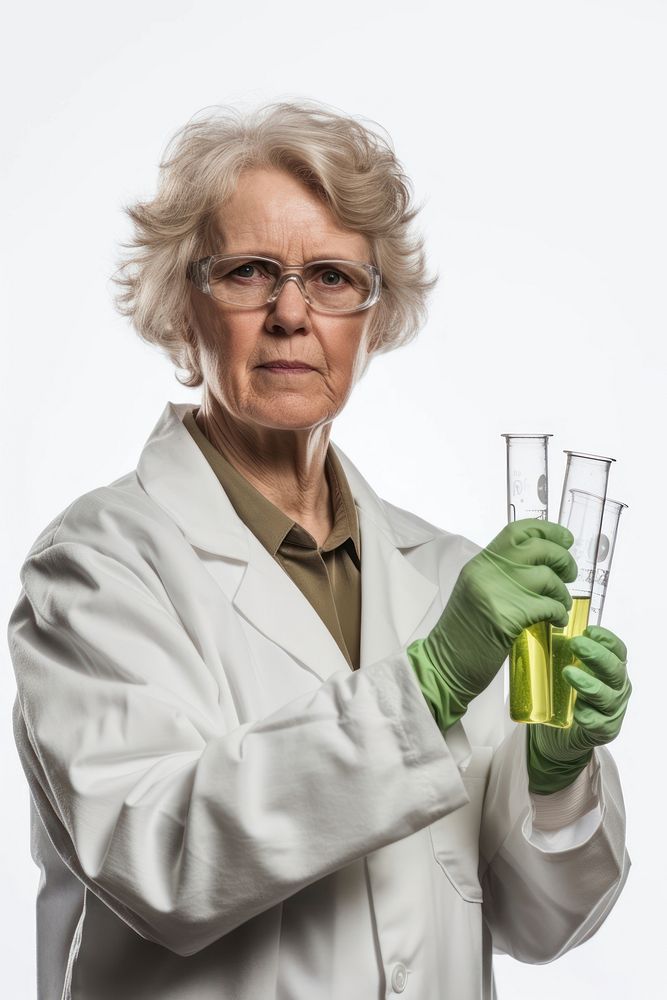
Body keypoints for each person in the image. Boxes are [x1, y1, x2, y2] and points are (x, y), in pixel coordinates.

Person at [7, 99, 632, 1000]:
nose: (291, 313)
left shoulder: (448, 576)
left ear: (372, 320)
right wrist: (427, 688)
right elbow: (161, 858)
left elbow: (540, 923)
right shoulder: (96, 566)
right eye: (251, 272)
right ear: (185, 305)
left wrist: (559, 778)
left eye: (333, 278)